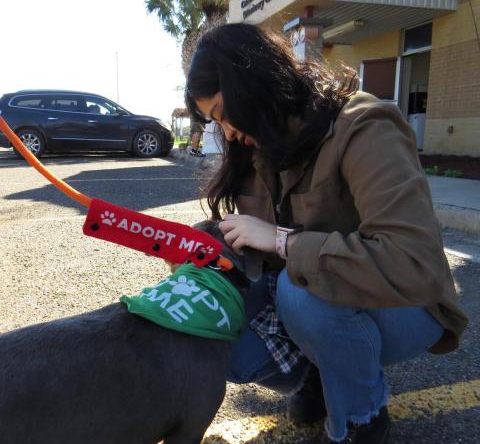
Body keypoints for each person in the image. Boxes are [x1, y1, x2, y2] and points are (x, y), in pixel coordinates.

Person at [185, 23, 468, 444]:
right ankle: (327, 370)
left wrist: (283, 241)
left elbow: (414, 264)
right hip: (325, 300)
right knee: (216, 327)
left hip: (409, 304)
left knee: (304, 296)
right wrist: (208, 245)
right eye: (214, 122)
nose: (226, 133)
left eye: (224, 114)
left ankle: (362, 419)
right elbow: (258, 252)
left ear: (255, 83)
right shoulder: (257, 146)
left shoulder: (364, 125)